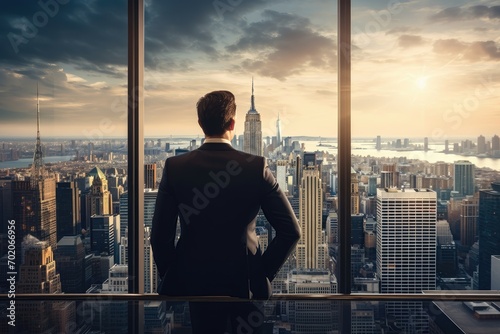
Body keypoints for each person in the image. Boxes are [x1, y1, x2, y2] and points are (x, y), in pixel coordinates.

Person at [151, 90, 300, 333]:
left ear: (200, 124)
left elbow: (160, 236)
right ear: (232, 123)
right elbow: (291, 231)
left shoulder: (175, 167)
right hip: (244, 286)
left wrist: (176, 275)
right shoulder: (256, 167)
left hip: (197, 286)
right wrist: (260, 275)